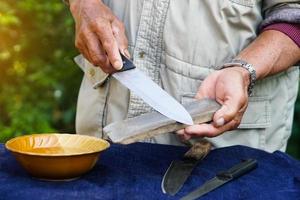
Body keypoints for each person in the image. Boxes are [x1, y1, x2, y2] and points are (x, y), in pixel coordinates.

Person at [66, 0, 300, 152]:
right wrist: (83, 5)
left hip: (221, 152)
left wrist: (243, 70)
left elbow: (294, 15)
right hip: (103, 137)